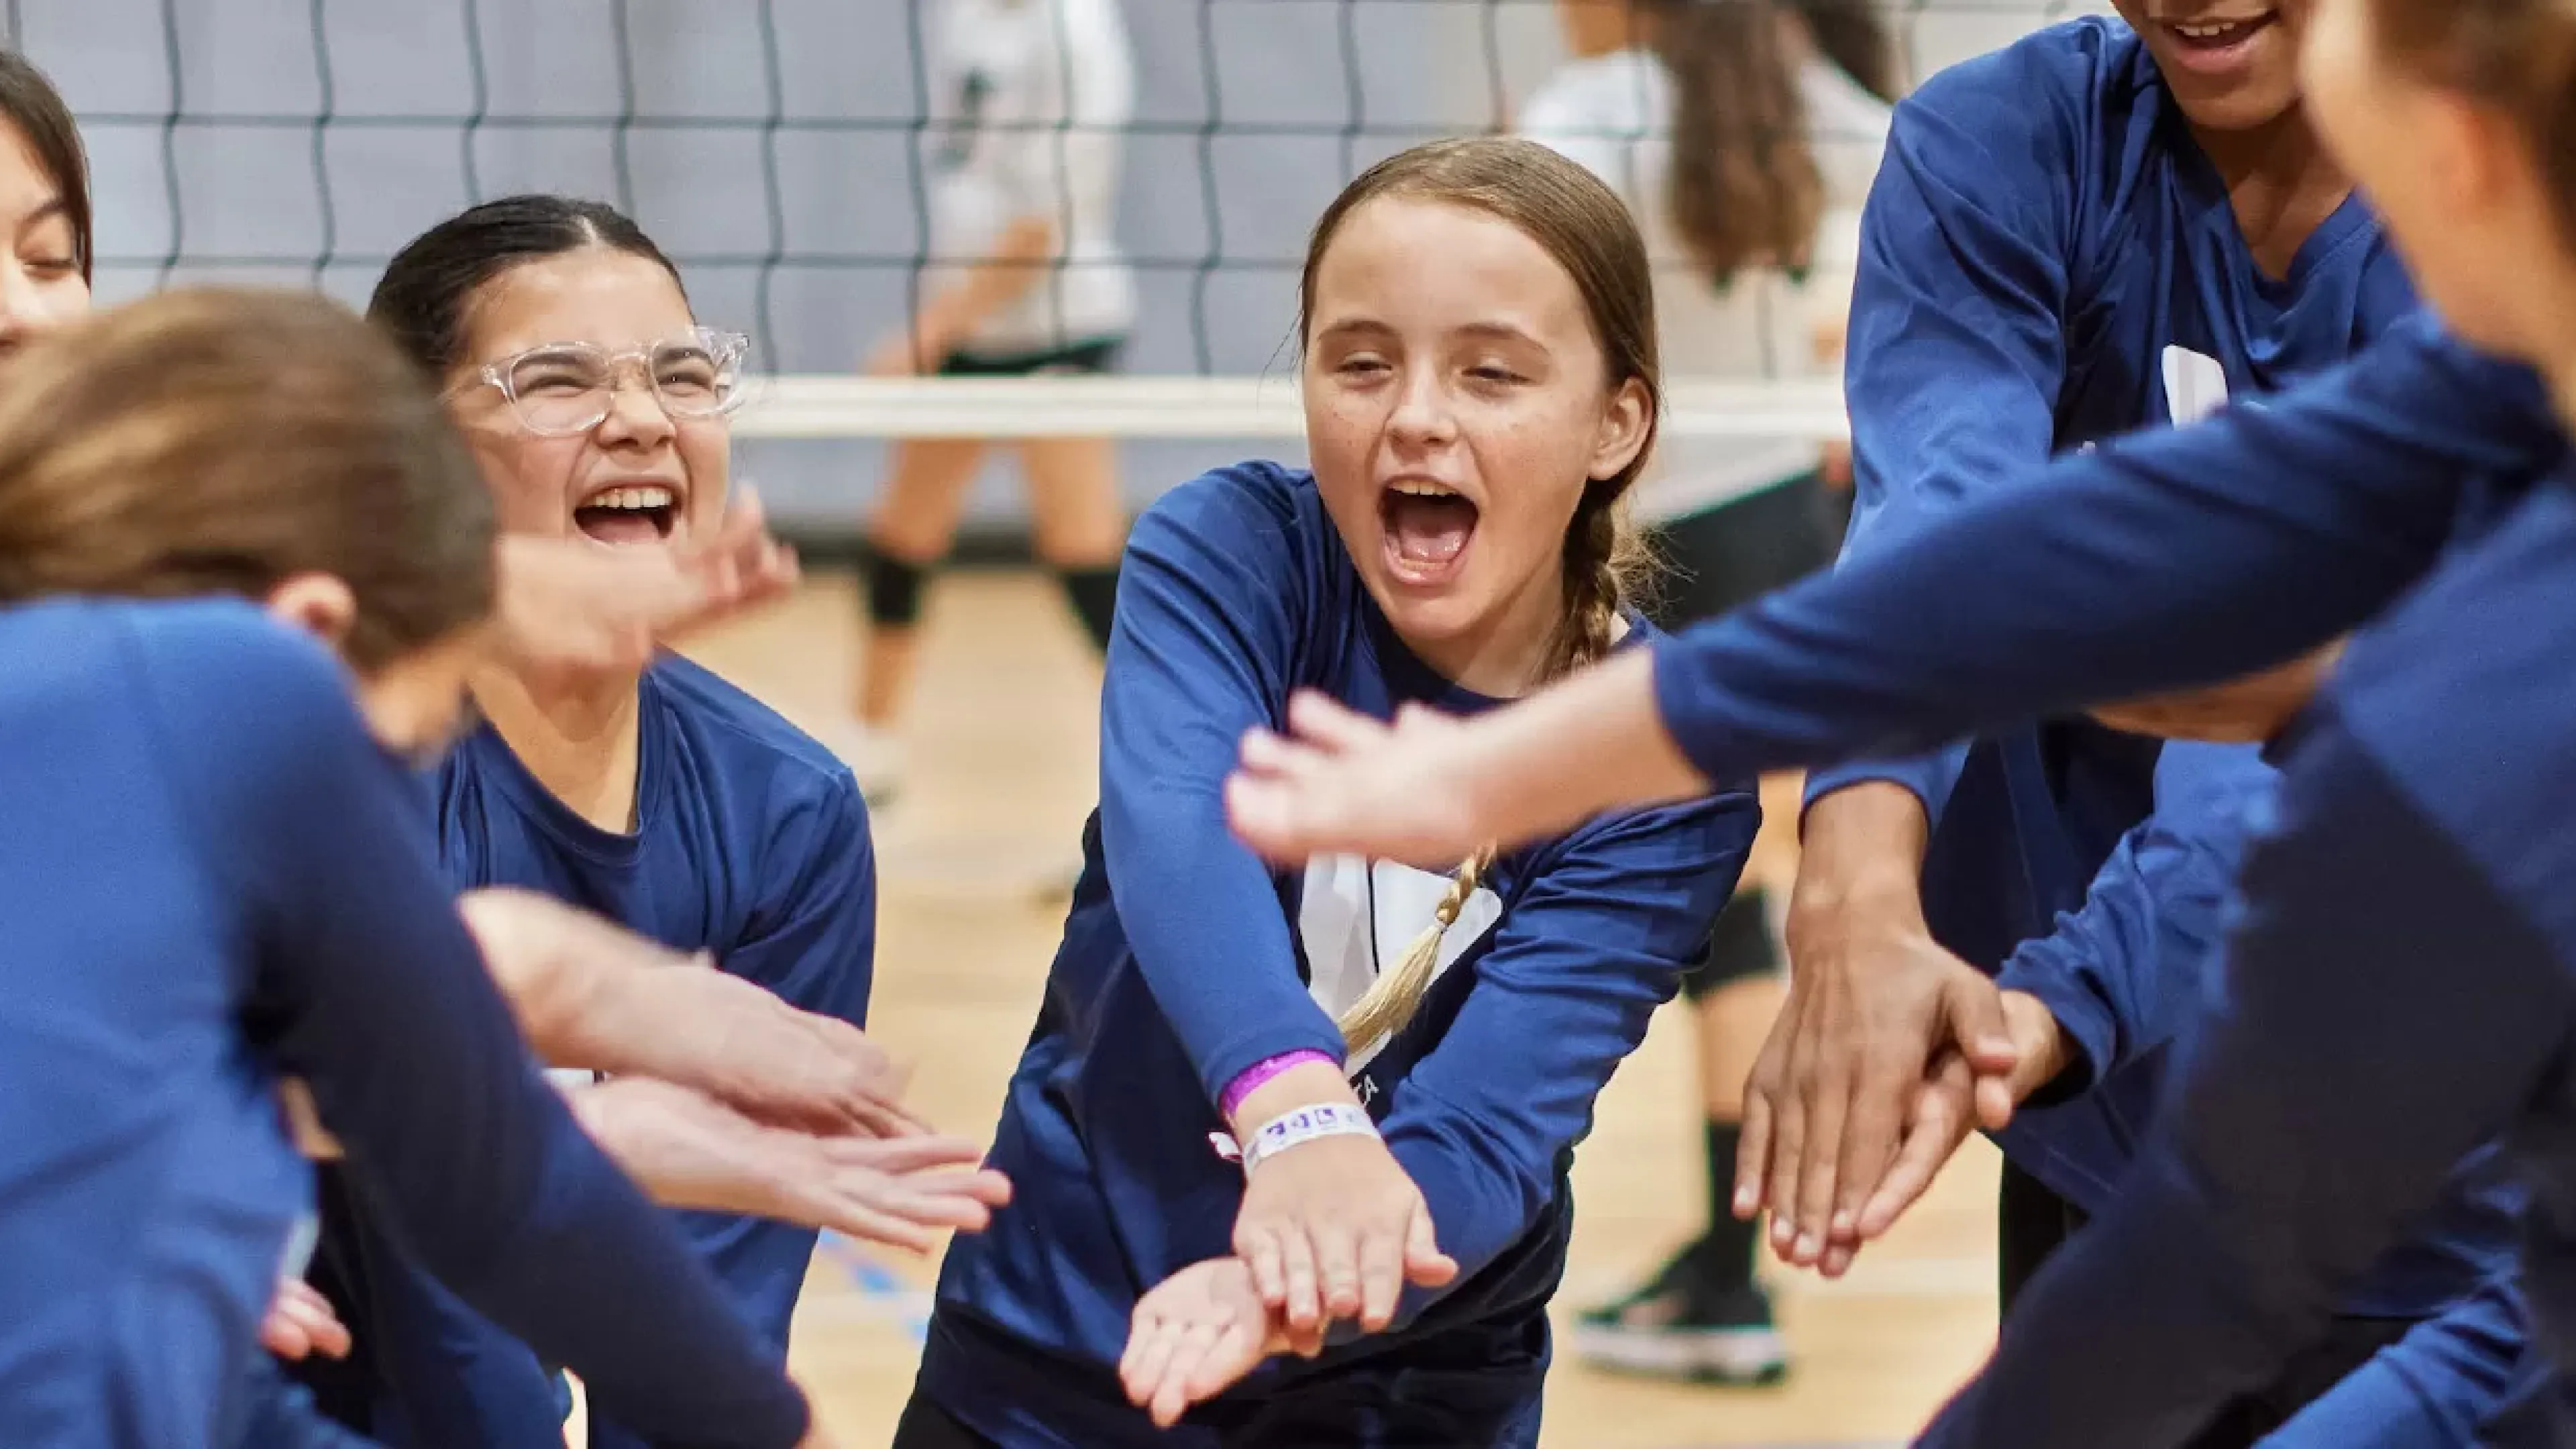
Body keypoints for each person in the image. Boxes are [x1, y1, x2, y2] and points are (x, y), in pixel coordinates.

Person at [1218, 0, 2576, 1434]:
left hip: (2399, 1181)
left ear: (2455, 148)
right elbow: (2027, 556)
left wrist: (2063, 997)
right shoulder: (2481, 394)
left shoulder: (2487, 642)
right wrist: (1536, 772)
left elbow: (2235, 1227)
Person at [886, 135, 1757, 1448]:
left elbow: (1491, 1126)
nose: (1413, 413)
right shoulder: (1234, 552)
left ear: (1616, 423)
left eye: (1491, 372)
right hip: (1057, 1328)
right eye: (1360, 361)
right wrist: (1297, 1113)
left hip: (1399, 1376)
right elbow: (1182, 835)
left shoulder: (1660, 756)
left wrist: (1288, 1286)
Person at [0, 284, 837, 1449]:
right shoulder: (244, 692)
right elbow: (495, 1178)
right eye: (430, 720)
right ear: (305, 629)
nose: (400, 795)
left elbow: (193, 1396)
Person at [288, 194, 892, 1449]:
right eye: (556, 381)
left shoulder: (790, 814)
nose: (639, 418)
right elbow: (433, 1303)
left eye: (682, 374)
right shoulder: (344, 763)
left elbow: (728, 1272)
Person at [1513, 0, 1899, 1382]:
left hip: (1661, 543)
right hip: (1790, 518)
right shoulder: (1807, 100)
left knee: (1709, 906)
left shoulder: (1590, 116)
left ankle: (1727, 1275)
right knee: (1752, 896)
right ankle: (1733, 1261)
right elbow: (1923, 206)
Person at [833, 0, 1139, 803]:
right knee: (904, 526)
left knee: (1080, 550)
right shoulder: (967, 13)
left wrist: (928, 336)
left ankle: (1161, 766)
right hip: (969, 317)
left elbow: (1044, 229)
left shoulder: (1075, 36)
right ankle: (871, 757)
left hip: (1055, 327)